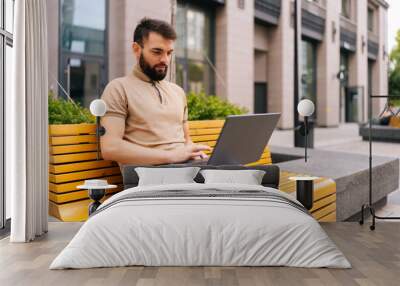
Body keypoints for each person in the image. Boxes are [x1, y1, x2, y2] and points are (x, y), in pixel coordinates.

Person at [100, 18, 210, 166]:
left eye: (169, 53)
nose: (165, 60)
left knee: (238, 171)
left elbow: (186, 141)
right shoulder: (118, 89)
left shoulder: (177, 92)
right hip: (147, 178)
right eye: (157, 52)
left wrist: (194, 153)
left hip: (185, 169)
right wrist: (172, 156)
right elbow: (110, 148)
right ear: (137, 49)